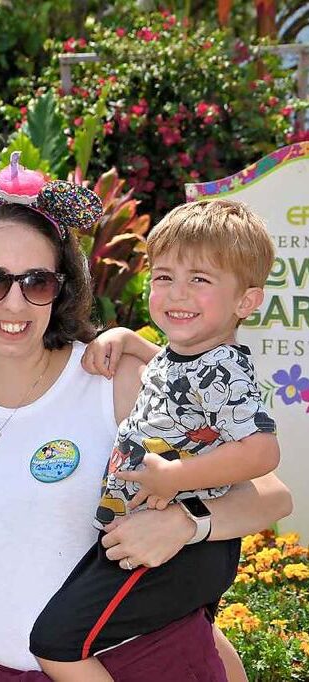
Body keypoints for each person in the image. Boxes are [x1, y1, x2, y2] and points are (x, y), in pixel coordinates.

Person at [0, 154, 292, 681]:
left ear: (60, 287)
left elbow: (270, 495)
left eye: (37, 281)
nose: (15, 303)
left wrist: (186, 524)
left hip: (145, 664)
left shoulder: (116, 380)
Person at [30, 199, 281, 681]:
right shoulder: (189, 355)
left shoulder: (224, 371)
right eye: (164, 277)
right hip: (154, 537)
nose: (177, 293)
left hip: (181, 545)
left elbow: (262, 450)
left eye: (200, 280)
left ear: (246, 302)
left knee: (56, 642)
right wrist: (126, 337)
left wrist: (176, 476)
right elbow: (172, 376)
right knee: (190, 639)